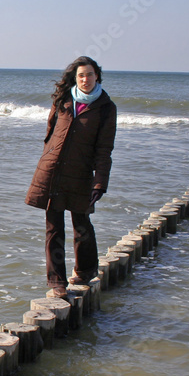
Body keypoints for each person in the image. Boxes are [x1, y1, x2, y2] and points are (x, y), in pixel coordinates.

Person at [25, 56, 117, 299]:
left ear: (97, 76)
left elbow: (104, 149)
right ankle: (57, 282)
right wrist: (48, 157)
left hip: (81, 173)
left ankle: (86, 271)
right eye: (81, 75)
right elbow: (50, 132)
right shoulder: (64, 100)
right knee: (53, 228)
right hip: (53, 171)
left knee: (82, 225)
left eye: (89, 74)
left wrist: (100, 181)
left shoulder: (106, 108)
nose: (85, 79)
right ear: (75, 78)